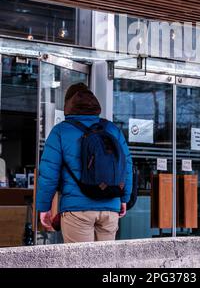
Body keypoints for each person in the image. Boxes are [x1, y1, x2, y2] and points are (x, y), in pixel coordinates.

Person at [36, 83, 132, 243]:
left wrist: (44, 207)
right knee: (105, 262)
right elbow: (126, 166)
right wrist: (124, 199)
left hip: (77, 210)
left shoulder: (60, 131)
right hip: (110, 206)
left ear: (68, 105)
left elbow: (48, 173)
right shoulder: (112, 129)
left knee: (79, 262)